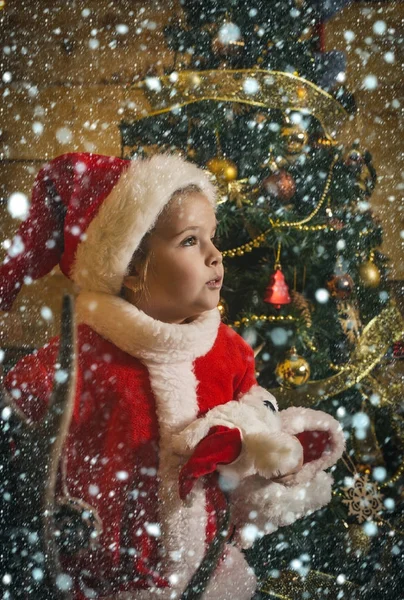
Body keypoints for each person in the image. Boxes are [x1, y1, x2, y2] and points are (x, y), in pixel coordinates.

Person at [0, 152, 345, 600]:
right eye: (189, 241)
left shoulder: (228, 351)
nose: (215, 255)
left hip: (211, 577)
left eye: (212, 238)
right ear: (130, 268)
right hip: (103, 586)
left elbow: (254, 417)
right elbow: (20, 449)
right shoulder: (78, 360)